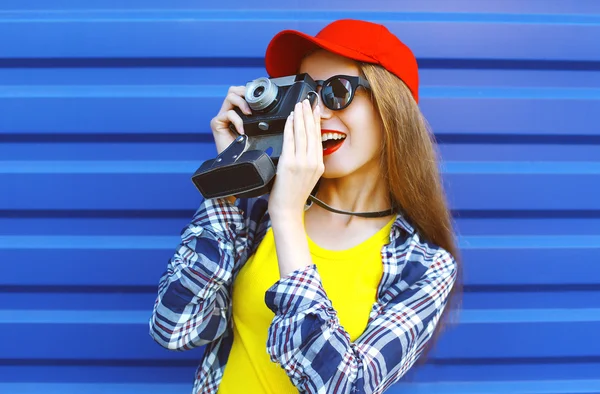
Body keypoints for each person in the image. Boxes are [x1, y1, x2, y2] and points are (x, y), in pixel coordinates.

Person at [149, 19, 460, 394]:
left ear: (393, 109)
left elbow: (345, 385)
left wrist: (287, 215)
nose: (318, 114)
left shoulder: (423, 265)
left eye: (337, 91)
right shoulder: (254, 217)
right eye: (306, 96)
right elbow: (175, 327)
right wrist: (228, 178)